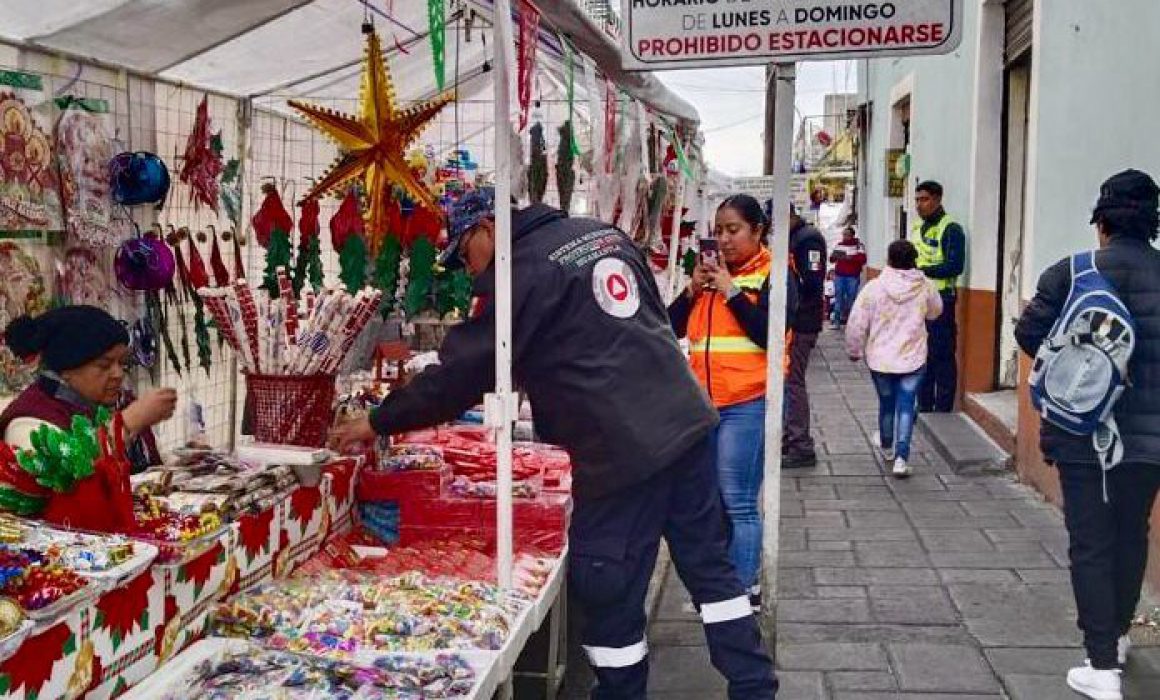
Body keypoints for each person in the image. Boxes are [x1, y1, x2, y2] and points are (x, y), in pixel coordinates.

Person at [330, 189, 778, 699]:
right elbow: (640, 318)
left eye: (464, 253)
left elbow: (461, 376)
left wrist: (380, 420)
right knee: (711, 569)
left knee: (607, 582)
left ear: (487, 229)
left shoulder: (520, 273)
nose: (467, 268)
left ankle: (619, 693)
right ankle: (755, 685)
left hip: (619, 449)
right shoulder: (599, 233)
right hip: (685, 422)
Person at [1015, 169, 1160, 700]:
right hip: (1150, 439)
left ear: (1101, 221)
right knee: (1132, 532)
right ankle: (1118, 639)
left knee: (1091, 542)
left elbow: (1028, 332)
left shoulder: (1072, 272)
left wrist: (1077, 372)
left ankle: (1100, 666)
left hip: (1082, 432)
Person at [668, 193, 798, 611]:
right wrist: (692, 290)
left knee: (738, 500)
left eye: (733, 230)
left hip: (749, 399)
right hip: (705, 402)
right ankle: (728, 586)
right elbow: (666, 327)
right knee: (713, 501)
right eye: (718, 230)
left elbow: (769, 334)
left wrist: (729, 292)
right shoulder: (709, 274)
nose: (723, 240)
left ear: (758, 231)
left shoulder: (774, 273)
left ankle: (741, 594)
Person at [0, 306, 177, 532]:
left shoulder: (107, 403)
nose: (118, 374)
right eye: (104, 365)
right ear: (66, 369)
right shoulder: (29, 421)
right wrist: (130, 421)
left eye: (122, 363)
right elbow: (71, 472)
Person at [845, 240, 942, 478]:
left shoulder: (874, 287)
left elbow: (857, 322)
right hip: (913, 357)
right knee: (907, 406)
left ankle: (887, 446)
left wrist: (854, 350)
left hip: (881, 358)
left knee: (886, 404)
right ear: (914, 259)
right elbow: (936, 311)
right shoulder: (925, 286)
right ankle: (901, 457)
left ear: (889, 259)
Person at [913, 180, 966, 412]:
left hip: (942, 301)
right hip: (917, 302)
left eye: (924, 199)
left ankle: (943, 408)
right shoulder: (917, 229)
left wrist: (922, 271)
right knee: (922, 355)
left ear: (937, 200)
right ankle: (924, 405)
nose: (919, 205)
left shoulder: (951, 228)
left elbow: (955, 266)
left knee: (942, 355)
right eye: (917, 200)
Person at [784, 203, 827, 467]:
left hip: (802, 321)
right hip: (796, 320)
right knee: (789, 381)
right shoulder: (795, 237)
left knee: (793, 382)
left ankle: (800, 444)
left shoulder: (808, 239)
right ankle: (792, 438)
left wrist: (793, 302)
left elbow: (812, 281)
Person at [829, 225, 867, 328]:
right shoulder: (839, 245)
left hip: (852, 276)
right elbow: (832, 259)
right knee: (838, 298)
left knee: (851, 298)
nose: (845, 237)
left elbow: (863, 259)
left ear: (852, 236)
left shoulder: (859, 246)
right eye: (844, 235)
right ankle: (836, 322)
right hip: (839, 275)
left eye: (847, 235)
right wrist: (835, 256)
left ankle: (851, 322)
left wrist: (851, 258)